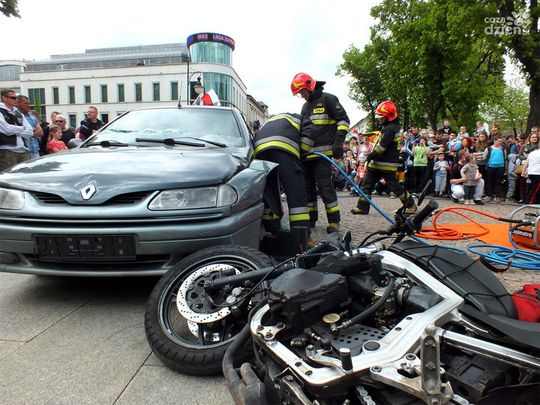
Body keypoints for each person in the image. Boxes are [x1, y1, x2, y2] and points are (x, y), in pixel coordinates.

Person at [291, 72, 350, 233]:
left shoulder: (328, 99)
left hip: (323, 155)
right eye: (299, 94)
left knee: (325, 187)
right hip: (307, 155)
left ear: (309, 86)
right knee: (308, 188)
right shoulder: (305, 107)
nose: (302, 96)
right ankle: (311, 218)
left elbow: (343, 120)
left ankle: (334, 221)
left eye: (302, 92)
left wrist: (339, 141)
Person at [252, 113, 311, 252]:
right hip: (284, 148)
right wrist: (302, 156)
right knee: (296, 192)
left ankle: (272, 229)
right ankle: (301, 239)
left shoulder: (270, 121)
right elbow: (308, 141)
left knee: (269, 191)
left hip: (259, 150)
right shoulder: (304, 119)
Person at [351, 100, 416, 215]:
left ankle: (410, 205)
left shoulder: (390, 128)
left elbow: (382, 147)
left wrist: (370, 156)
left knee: (394, 186)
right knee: (367, 184)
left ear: (389, 116)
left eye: (381, 117)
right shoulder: (388, 126)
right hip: (378, 163)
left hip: (386, 164)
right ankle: (362, 207)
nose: (379, 119)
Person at [0, 89, 33, 172]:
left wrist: (15, 131)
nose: (16, 100)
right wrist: (22, 128)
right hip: (7, 151)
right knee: (7, 176)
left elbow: (30, 132)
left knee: (24, 176)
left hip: (23, 150)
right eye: (13, 98)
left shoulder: (18, 113)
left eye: (17, 98)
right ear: (4, 98)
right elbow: (6, 129)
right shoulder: (1, 111)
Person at [16, 95, 43, 160]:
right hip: (23, 150)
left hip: (34, 149)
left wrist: (28, 133)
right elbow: (17, 131)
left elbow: (40, 132)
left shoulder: (32, 116)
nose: (29, 105)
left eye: (29, 103)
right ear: (18, 103)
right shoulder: (15, 116)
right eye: (26, 103)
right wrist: (32, 130)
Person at [483, 137, 506, 203]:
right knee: (490, 181)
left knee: (498, 181)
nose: (500, 143)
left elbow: (505, 157)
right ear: (494, 141)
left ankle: (497, 196)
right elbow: (484, 157)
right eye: (499, 141)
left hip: (500, 167)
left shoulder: (503, 149)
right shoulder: (489, 148)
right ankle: (489, 195)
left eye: (501, 141)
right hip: (491, 166)